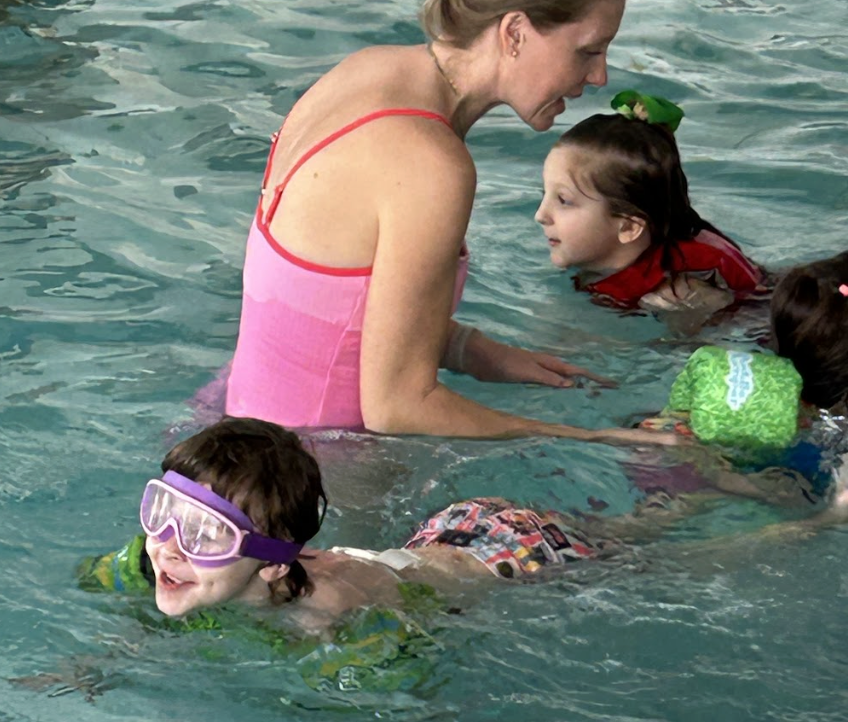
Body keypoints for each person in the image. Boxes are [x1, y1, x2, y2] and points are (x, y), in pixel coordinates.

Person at [221, 0, 672, 444]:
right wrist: (587, 437)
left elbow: (326, 313)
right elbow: (397, 408)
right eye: (589, 51)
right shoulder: (431, 163)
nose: (600, 77)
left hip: (240, 436)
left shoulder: (367, 70)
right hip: (317, 472)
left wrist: (474, 352)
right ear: (514, 33)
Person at [535, 90, 766, 322]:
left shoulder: (681, 295)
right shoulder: (619, 261)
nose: (540, 215)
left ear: (628, 228)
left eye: (563, 200)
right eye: (545, 194)